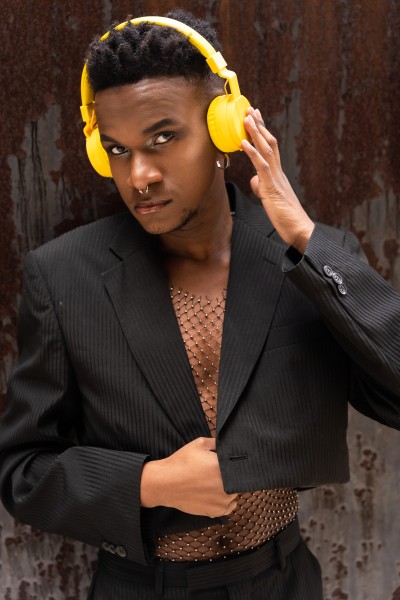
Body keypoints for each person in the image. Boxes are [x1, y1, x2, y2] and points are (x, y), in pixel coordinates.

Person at [0, 8, 399, 600]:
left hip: (285, 582)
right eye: (116, 149)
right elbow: (21, 473)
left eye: (164, 138)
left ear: (222, 132)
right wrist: (150, 482)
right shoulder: (62, 277)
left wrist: (305, 240)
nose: (139, 175)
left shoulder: (311, 259)